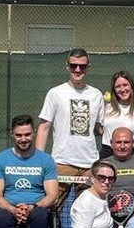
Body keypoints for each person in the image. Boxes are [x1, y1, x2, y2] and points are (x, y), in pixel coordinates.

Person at [35, 48, 105, 209]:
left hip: (89, 165)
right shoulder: (55, 93)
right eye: (73, 66)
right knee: (51, 210)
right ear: (67, 66)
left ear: (88, 67)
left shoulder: (97, 95)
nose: (78, 70)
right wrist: (39, 159)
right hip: (61, 163)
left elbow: (98, 130)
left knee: (86, 213)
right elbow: (44, 127)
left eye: (82, 66)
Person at [97, 70, 134, 159]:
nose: (122, 89)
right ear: (114, 90)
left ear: (131, 86)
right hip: (107, 153)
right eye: (118, 86)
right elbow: (99, 129)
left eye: (125, 85)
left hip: (131, 154)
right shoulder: (106, 107)